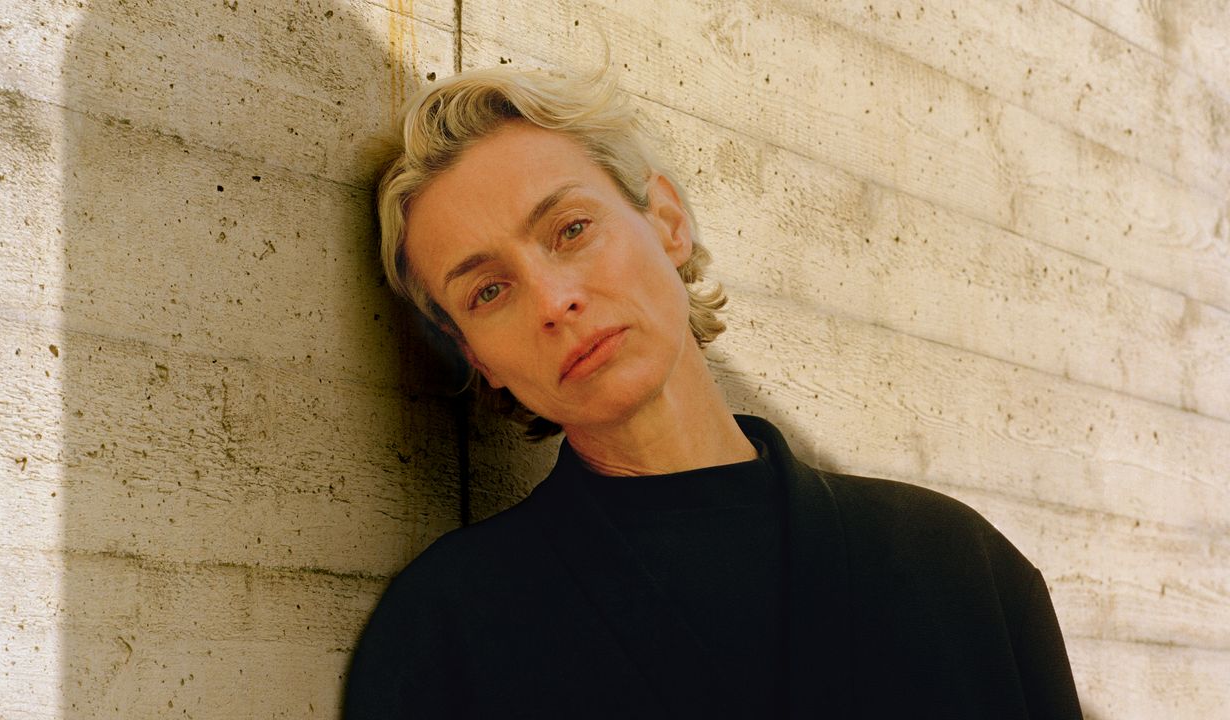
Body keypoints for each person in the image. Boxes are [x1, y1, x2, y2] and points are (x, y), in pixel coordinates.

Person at [344, 66, 1083, 719]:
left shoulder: (960, 568)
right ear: (477, 356)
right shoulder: (444, 633)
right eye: (489, 290)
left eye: (570, 229)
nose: (553, 300)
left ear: (667, 222)